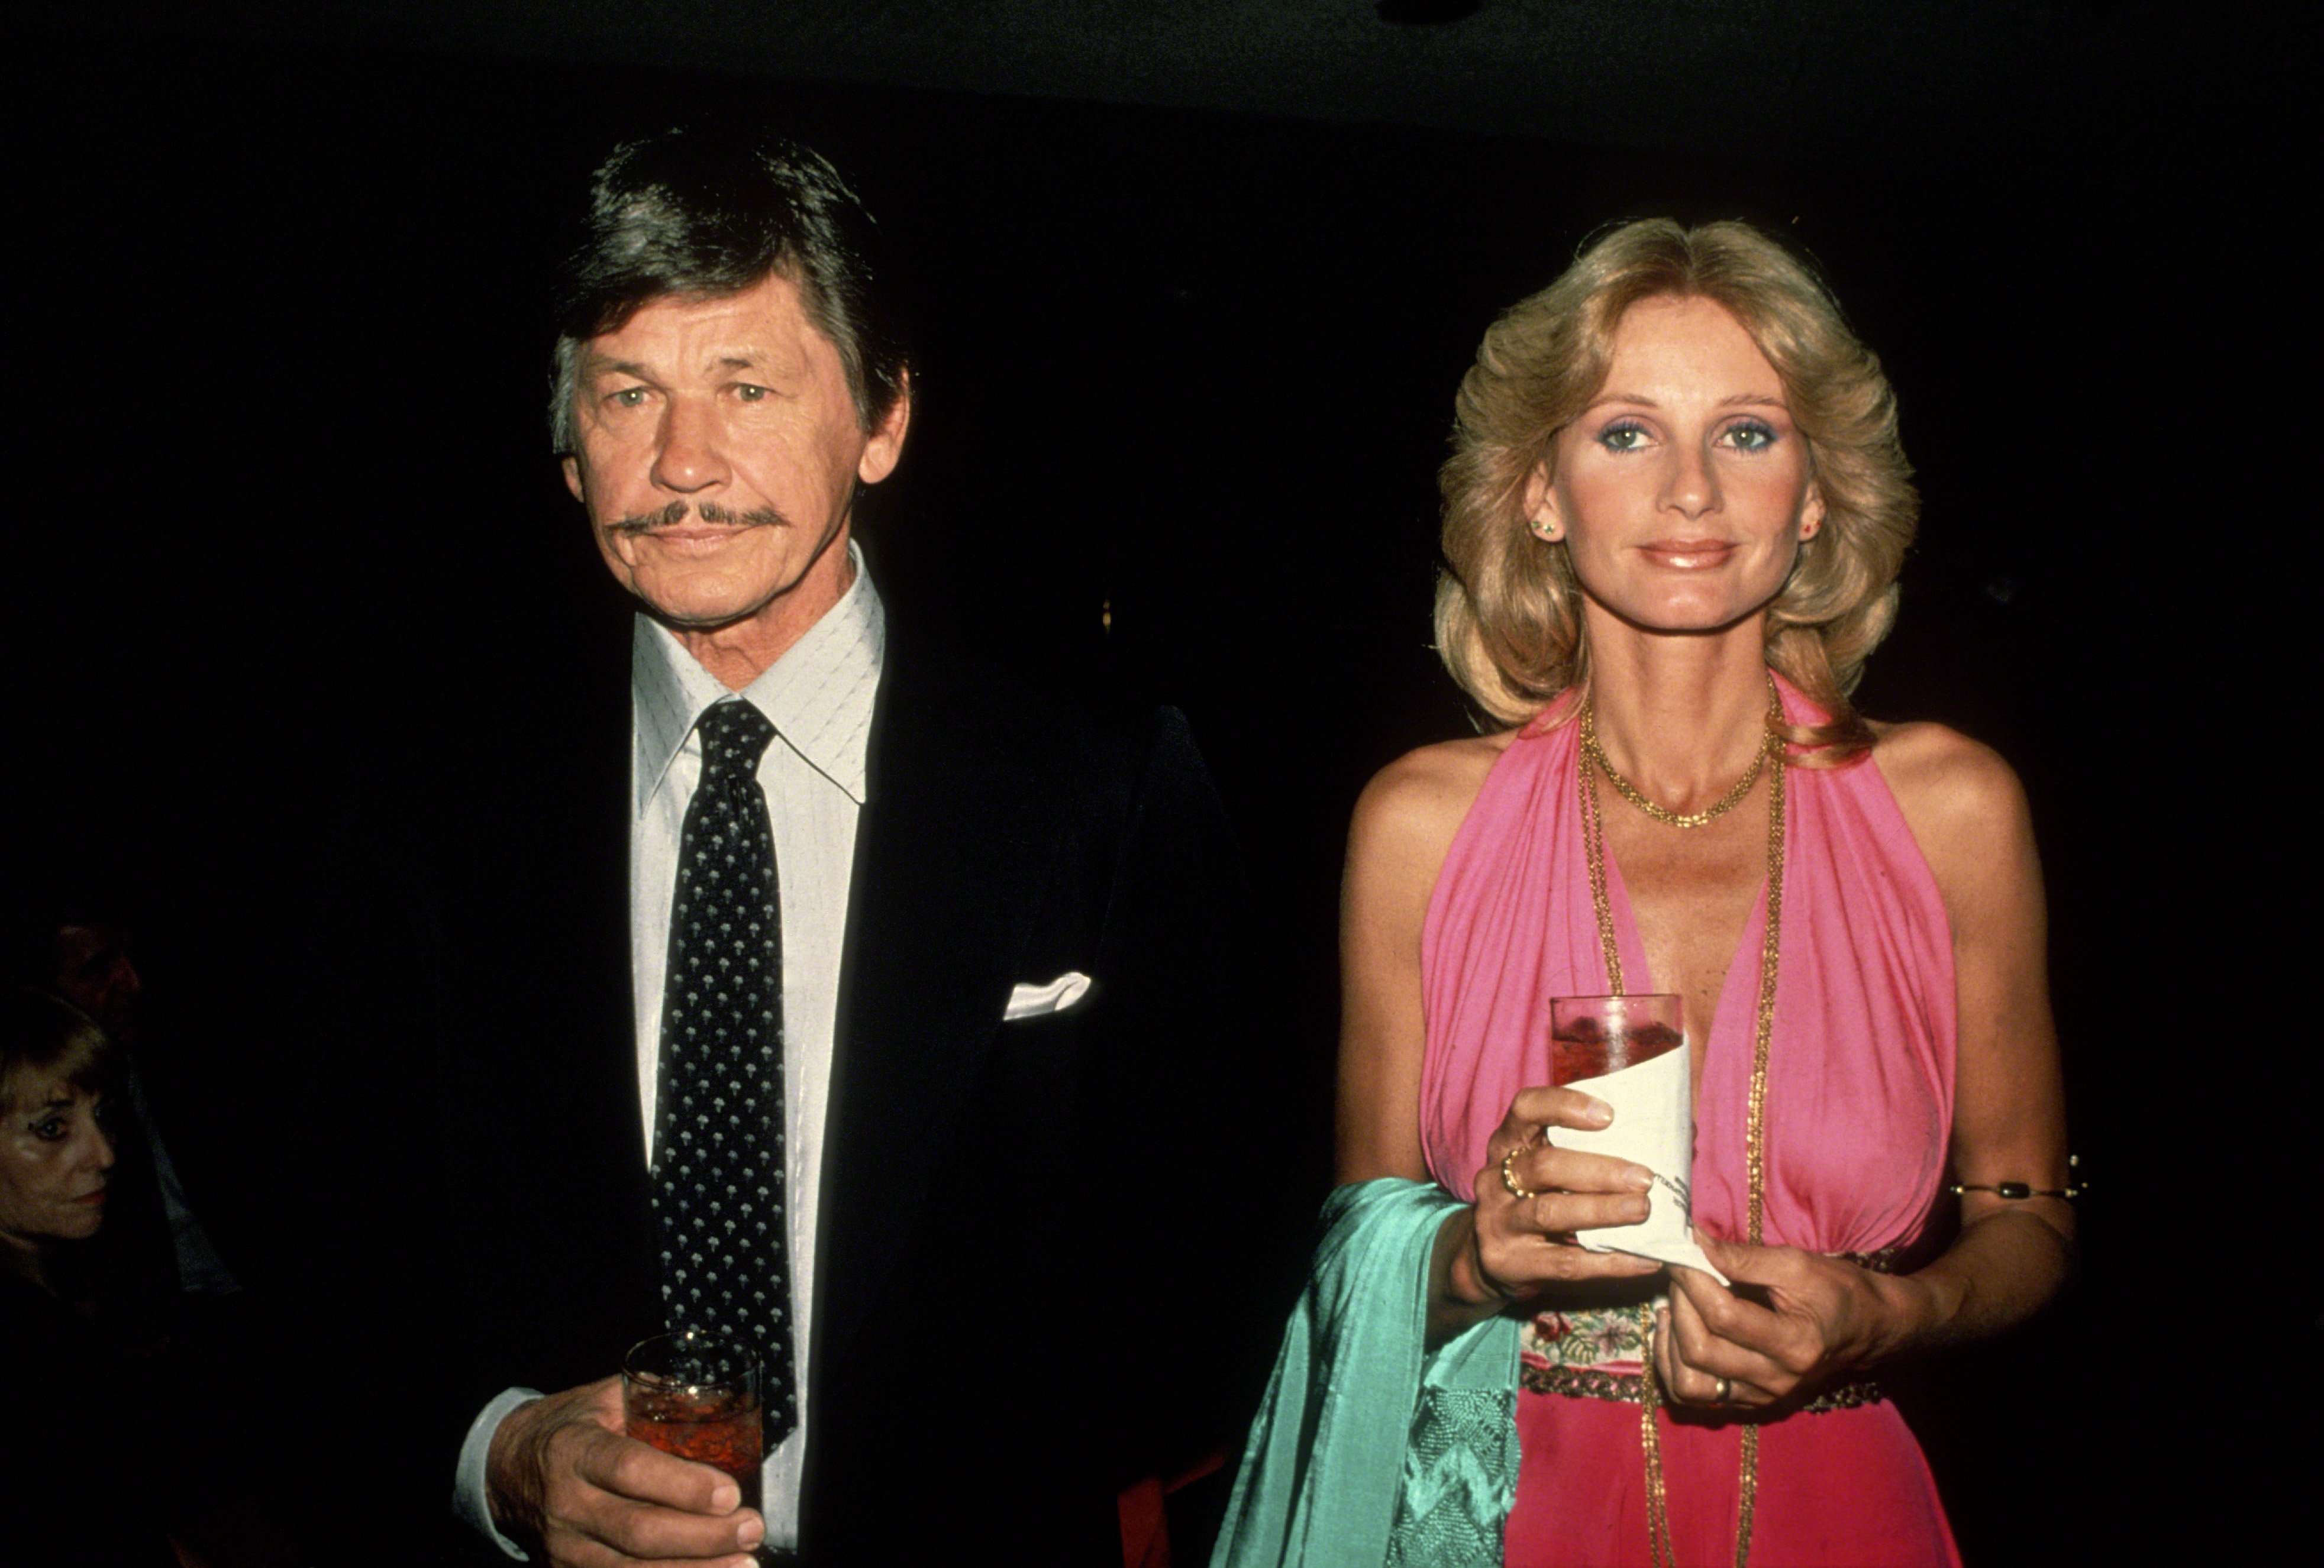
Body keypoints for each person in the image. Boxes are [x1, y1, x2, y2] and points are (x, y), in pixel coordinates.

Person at [352, 126, 1271, 1567]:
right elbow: (352, 1266)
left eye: (748, 384)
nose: (683, 461)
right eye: (627, 391)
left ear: (884, 418)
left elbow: (1218, 1261)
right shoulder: (438, 812)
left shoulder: (1099, 781)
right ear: (568, 444)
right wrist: (507, 1452)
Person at [1218, 219, 2071, 1566]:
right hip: (1508, 1517)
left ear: (1815, 494)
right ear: (1541, 491)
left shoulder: (1952, 809)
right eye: (1625, 432)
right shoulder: (1419, 825)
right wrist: (1470, 1255)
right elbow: (1353, 1246)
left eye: (1747, 432)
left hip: (1845, 1515)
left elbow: (2027, 1212)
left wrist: (1887, 1315)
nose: (1690, 490)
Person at [0, 988, 179, 1564]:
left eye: (102, 1113)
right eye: (52, 1127)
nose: (102, 1152)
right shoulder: (24, 1347)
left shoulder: (47, 1301)